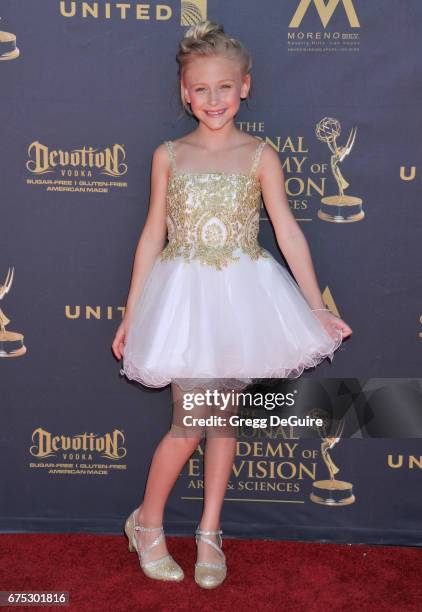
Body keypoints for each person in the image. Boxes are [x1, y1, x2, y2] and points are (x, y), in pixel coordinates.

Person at [112, 19, 352, 589]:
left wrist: (315, 306)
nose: (213, 99)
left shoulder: (261, 155)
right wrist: (131, 311)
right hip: (183, 301)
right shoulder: (168, 155)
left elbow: (288, 232)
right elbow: (152, 236)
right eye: (201, 88)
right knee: (190, 422)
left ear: (245, 86)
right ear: (184, 93)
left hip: (244, 297)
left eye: (225, 87)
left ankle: (210, 530)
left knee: (223, 421)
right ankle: (146, 523)